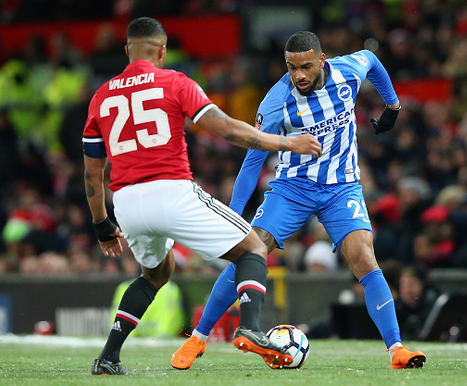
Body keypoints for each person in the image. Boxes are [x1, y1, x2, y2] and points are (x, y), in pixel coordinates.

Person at [172, 31, 427, 370]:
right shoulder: (276, 102)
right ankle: (198, 338)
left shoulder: (349, 69)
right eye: (292, 68)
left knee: (364, 256)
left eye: (306, 66)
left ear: (322, 60)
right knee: (250, 252)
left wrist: (392, 104)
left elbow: (374, 61)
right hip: (293, 188)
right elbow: (252, 162)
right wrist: (233, 215)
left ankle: (397, 350)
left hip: (342, 187)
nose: (300, 76)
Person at [83, 18, 322, 376]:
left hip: (127, 202)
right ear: (162, 50)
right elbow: (226, 129)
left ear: (127, 51)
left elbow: (91, 174)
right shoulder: (175, 81)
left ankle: (108, 357)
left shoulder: (101, 96)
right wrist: (289, 142)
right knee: (254, 249)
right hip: (172, 191)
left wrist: (102, 223)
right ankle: (251, 327)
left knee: (156, 273)